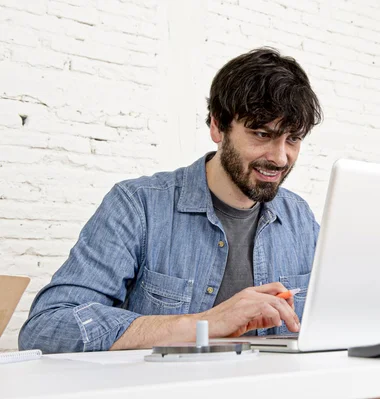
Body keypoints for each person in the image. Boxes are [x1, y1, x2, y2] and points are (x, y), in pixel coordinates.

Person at [18, 48, 323, 353]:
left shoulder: (299, 217)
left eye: (293, 139)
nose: (280, 157)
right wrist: (205, 324)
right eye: (261, 134)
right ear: (217, 127)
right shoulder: (137, 206)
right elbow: (47, 328)